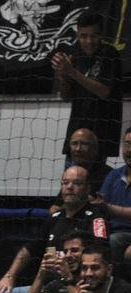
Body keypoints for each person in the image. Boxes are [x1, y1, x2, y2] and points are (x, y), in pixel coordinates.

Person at [54, 11, 122, 159]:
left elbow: (104, 91)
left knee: (93, 181)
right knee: (71, 179)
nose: (89, 41)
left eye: (94, 36)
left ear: (101, 35)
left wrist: (71, 72)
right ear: (77, 35)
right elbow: (66, 97)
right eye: (83, 36)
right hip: (76, 133)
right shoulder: (73, 55)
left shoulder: (109, 54)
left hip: (99, 136)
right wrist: (62, 76)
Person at [101, 127, 131, 276]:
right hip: (112, 230)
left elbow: (104, 205)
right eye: (126, 144)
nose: (129, 150)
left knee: (114, 241)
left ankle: (112, 290)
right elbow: (100, 203)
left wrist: (107, 207)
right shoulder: (114, 175)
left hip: (124, 234)